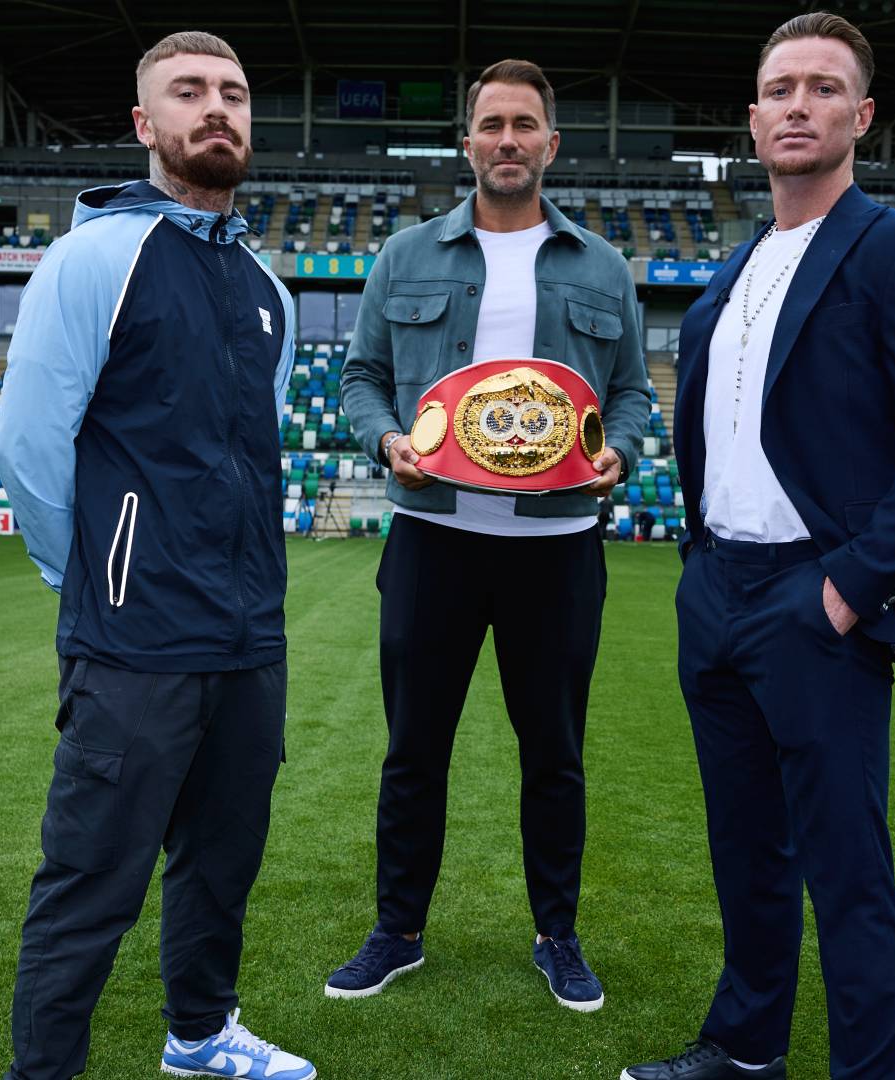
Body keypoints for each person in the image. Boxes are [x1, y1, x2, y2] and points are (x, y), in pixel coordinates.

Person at [624, 12, 895, 1080]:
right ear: (751, 118)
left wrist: (847, 587)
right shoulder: (727, 277)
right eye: (780, 88)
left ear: (861, 115)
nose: (798, 104)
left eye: (823, 88)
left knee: (846, 873)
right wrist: (702, 571)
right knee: (746, 858)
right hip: (717, 592)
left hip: (818, 600)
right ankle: (744, 1053)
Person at [0, 30, 314, 1080]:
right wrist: (88, 579)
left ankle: (200, 1034)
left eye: (232, 92)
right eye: (188, 92)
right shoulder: (95, 256)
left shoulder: (269, 287)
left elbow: (250, 456)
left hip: (246, 633)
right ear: (145, 125)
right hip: (134, 642)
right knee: (92, 880)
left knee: (221, 864)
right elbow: (28, 442)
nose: (215, 108)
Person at [331, 59, 651, 1013]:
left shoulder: (601, 267)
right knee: (413, 749)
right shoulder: (404, 256)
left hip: (557, 547)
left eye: (525, 125)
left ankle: (558, 935)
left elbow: (631, 390)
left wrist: (621, 453)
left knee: (553, 753)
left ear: (552, 145)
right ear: (466, 142)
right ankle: (398, 931)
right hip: (434, 538)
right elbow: (361, 381)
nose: (507, 140)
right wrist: (386, 440)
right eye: (490, 124)